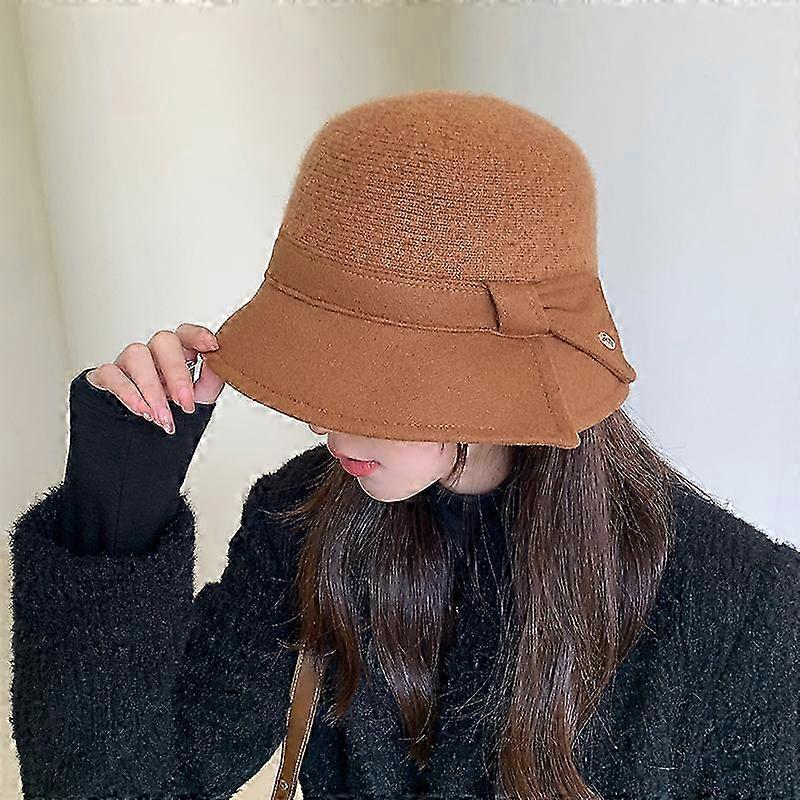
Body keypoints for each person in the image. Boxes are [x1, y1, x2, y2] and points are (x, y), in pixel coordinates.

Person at [9, 90, 799, 800]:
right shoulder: (300, 519)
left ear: (503, 371)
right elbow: (126, 784)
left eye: (375, 382)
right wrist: (119, 498)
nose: (324, 422)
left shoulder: (742, 607)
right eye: (315, 366)